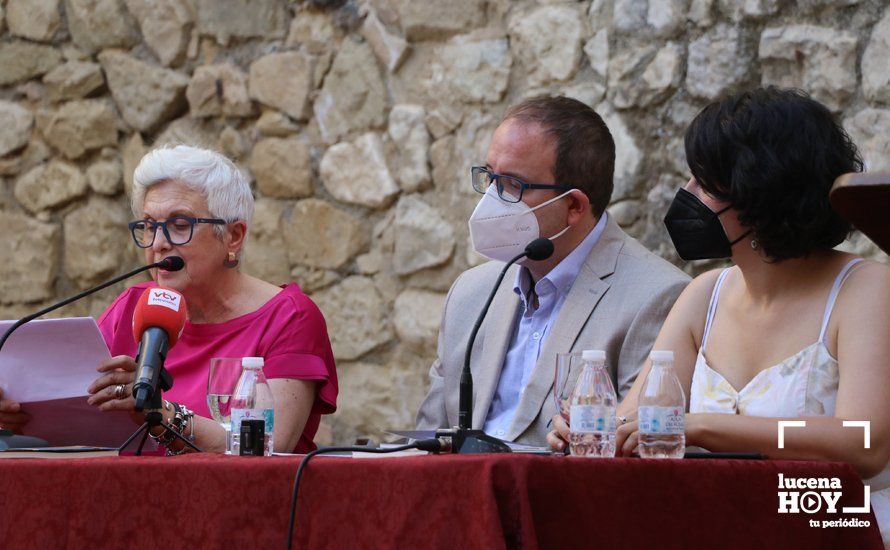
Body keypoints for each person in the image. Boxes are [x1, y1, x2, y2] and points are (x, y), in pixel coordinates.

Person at [547, 87, 890, 543]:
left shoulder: (867, 289)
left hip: (836, 530)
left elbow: (864, 443)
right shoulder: (704, 294)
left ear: (761, 193)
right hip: (717, 526)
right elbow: (637, 422)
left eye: (704, 184)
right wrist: (593, 428)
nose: (686, 195)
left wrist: (704, 427)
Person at [1, 145, 338, 454]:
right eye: (149, 226)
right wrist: (17, 412)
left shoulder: (290, 317)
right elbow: (77, 407)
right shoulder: (133, 307)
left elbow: (270, 444)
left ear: (233, 236)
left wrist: (162, 415)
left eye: (179, 224)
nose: (158, 243)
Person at [416, 96, 690, 446]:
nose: (491, 199)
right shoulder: (470, 292)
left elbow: (640, 452)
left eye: (513, 185)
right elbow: (426, 439)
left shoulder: (659, 297)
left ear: (574, 206)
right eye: (489, 177)